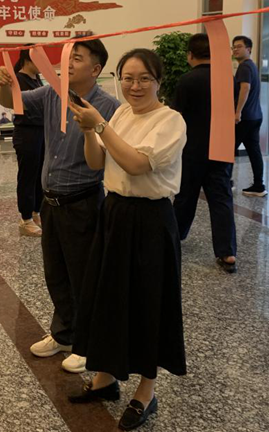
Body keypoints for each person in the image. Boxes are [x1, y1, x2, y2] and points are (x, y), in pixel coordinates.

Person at [67, 48, 186, 431]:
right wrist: (90, 131)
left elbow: (136, 164)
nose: (135, 86)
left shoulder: (170, 121)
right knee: (108, 297)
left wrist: (100, 126)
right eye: (128, 78)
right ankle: (105, 378)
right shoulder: (120, 114)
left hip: (150, 220)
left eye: (144, 78)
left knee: (148, 304)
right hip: (114, 212)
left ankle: (146, 392)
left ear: (158, 81)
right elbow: (96, 162)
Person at [0, 39, 119, 374]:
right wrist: (4, 83)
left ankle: (88, 344)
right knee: (57, 274)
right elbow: (12, 101)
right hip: (50, 201)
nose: (68, 63)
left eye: (77, 58)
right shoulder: (52, 94)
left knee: (84, 277)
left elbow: (107, 158)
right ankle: (64, 335)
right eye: (67, 57)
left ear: (95, 69)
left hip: (83, 202)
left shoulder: (108, 106)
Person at [172, 33, 238, 273]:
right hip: (221, 147)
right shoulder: (227, 79)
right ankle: (227, 253)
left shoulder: (186, 81)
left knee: (185, 196)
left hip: (192, 149)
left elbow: (176, 116)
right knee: (221, 199)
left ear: (190, 55)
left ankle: (175, 237)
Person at [11, 48, 45, 237]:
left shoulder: (37, 79)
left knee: (40, 175)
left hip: (41, 132)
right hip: (27, 133)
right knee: (27, 176)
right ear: (27, 60)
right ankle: (25, 219)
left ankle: (35, 212)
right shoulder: (18, 79)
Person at [232, 35, 266, 196]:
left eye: (239, 46)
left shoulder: (244, 67)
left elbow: (245, 89)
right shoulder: (251, 65)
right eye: (234, 47)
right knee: (254, 151)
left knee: (228, 149)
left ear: (249, 49)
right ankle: (259, 185)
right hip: (255, 116)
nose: (235, 50)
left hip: (244, 117)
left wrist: (237, 112)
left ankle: (226, 182)